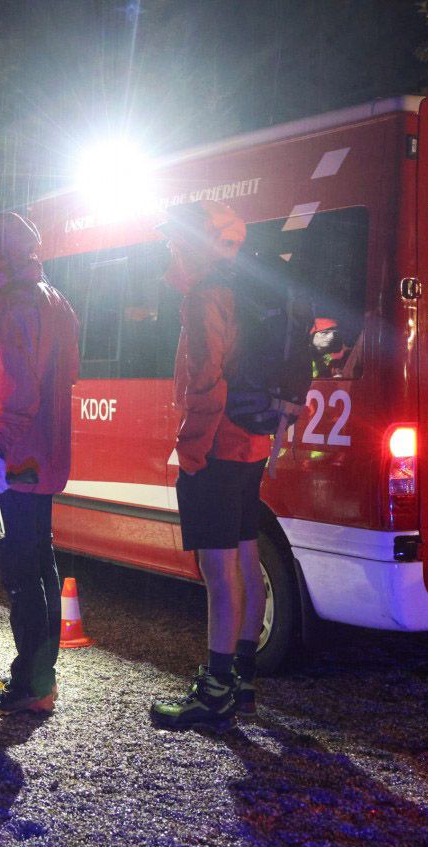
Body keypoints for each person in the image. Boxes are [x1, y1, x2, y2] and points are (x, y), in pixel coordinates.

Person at [149, 200, 271, 729]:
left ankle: (215, 693)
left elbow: (206, 383)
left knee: (217, 571)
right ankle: (242, 681)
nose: (167, 250)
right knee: (246, 558)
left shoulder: (204, 296)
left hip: (218, 446)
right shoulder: (241, 285)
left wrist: (192, 451)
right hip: (252, 443)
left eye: (172, 242)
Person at [0, 212, 80, 719]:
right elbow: (63, 375)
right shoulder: (52, 299)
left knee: (20, 574)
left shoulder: (10, 307)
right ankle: (40, 677)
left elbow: (15, 390)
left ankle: (30, 686)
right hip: (43, 459)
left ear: (1, 256)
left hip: (16, 461)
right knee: (40, 566)